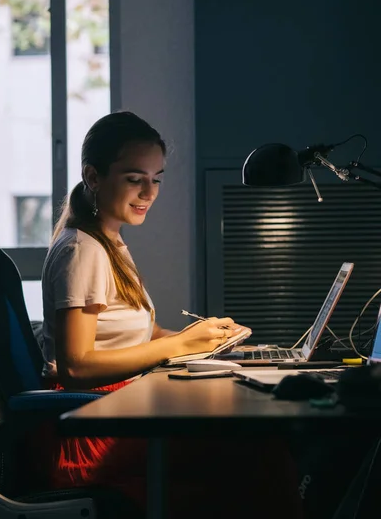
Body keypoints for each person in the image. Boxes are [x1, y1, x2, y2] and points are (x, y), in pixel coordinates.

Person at [27, 111, 304, 518]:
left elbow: (140, 333)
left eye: (156, 179)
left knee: (258, 446)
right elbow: (76, 368)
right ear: (94, 175)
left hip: (114, 415)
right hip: (91, 433)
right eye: (134, 178)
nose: (148, 192)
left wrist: (207, 342)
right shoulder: (81, 250)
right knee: (262, 451)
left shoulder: (108, 241)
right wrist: (178, 345)